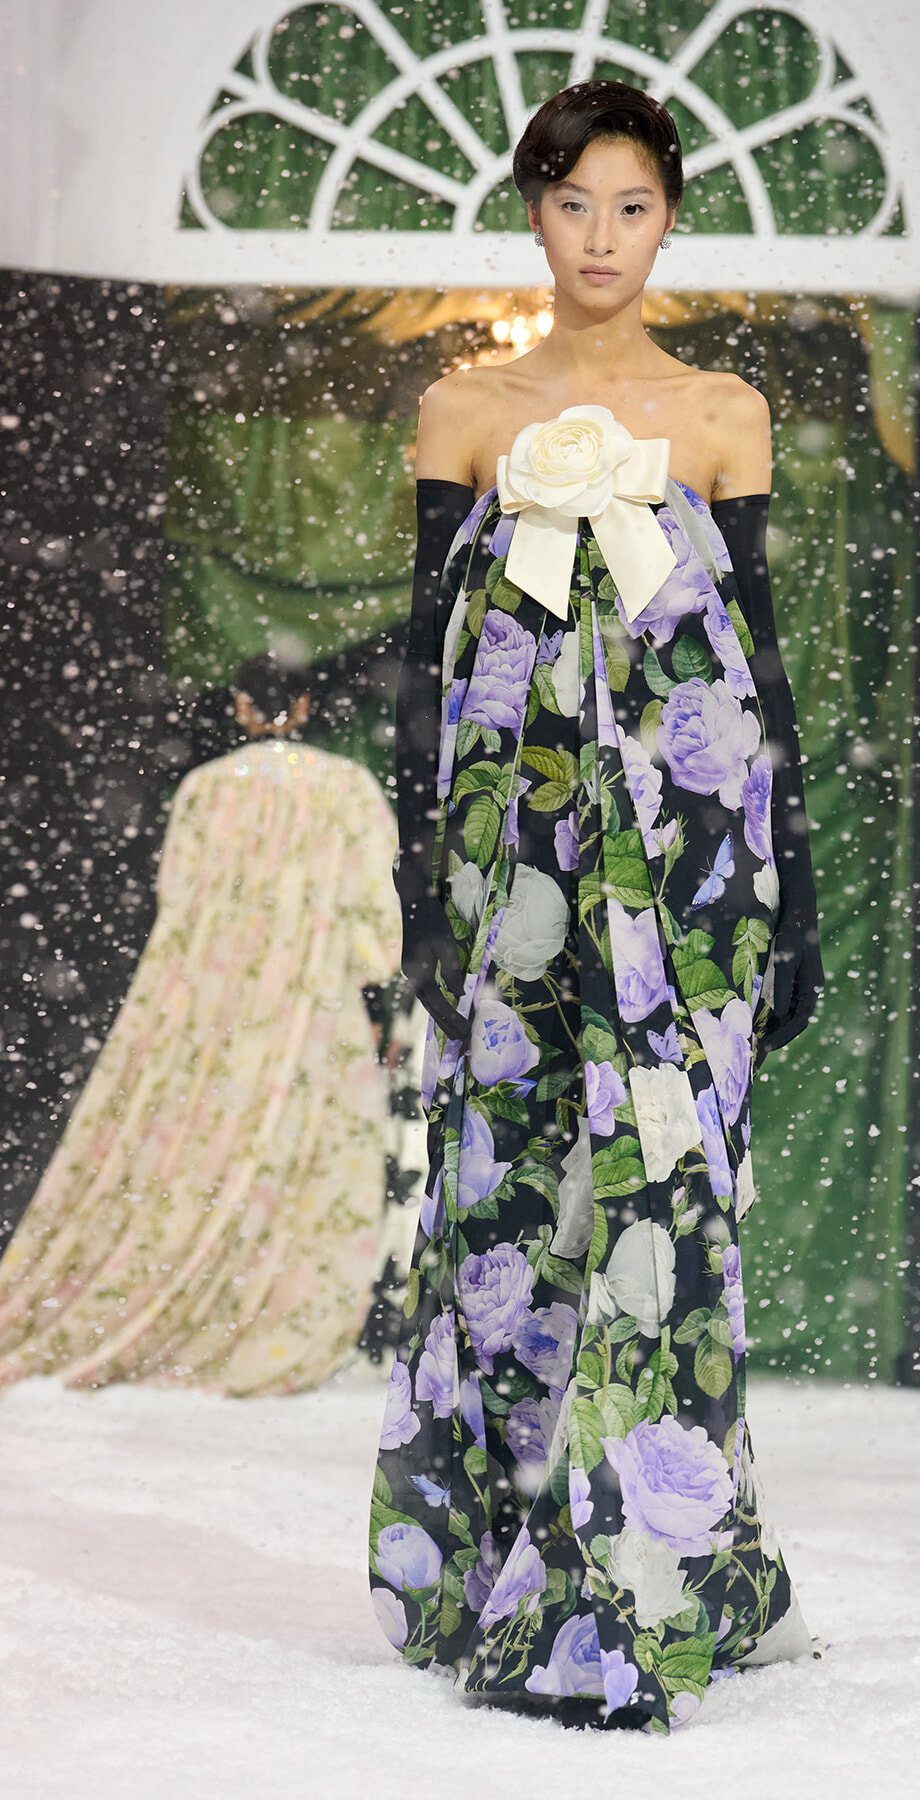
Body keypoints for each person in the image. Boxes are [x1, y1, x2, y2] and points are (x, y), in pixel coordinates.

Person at [372, 82, 824, 1731]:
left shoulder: (721, 412)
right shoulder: (463, 410)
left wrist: (799, 886)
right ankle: (508, 1553)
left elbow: (758, 658)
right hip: (512, 861)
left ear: (670, 217)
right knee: (507, 1200)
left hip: (693, 865)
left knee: (667, 1199)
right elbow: (416, 672)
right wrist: (422, 886)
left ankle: (647, 1573)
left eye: (632, 207)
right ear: (534, 214)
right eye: (574, 205)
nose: (603, 238)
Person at [0, 654, 403, 1396]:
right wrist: (368, 976)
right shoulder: (349, 787)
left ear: (243, 707)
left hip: (212, 1001)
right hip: (311, 1001)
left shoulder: (206, 788)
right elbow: (376, 907)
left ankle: (172, 1296)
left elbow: (178, 899)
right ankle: (272, 1318)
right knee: (304, 1155)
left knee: (194, 1146)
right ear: (305, 706)